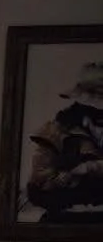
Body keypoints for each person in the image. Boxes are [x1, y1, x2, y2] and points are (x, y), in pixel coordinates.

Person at [26, 62, 103, 220]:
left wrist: (89, 168)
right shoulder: (57, 131)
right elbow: (39, 184)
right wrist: (63, 179)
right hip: (67, 220)